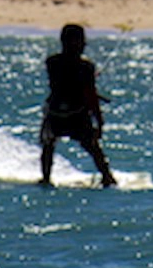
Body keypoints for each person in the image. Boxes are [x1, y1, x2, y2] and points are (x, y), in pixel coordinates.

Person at [38, 23, 116, 187]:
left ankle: (46, 179)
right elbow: (90, 96)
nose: (84, 45)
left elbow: (69, 85)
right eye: (81, 41)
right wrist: (99, 122)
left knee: (49, 146)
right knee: (92, 147)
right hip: (71, 115)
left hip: (59, 113)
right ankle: (107, 178)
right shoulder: (85, 67)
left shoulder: (52, 62)